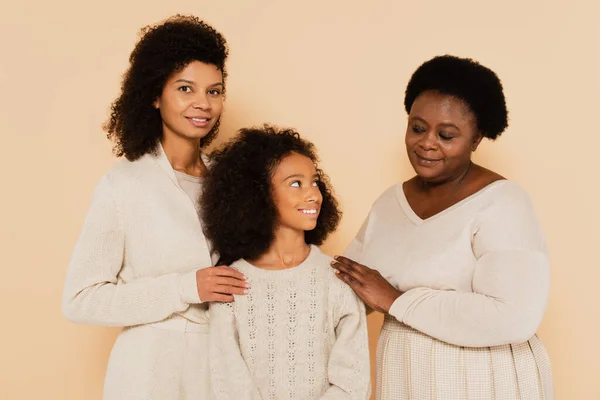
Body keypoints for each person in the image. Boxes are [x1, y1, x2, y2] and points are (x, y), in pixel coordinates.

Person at [331, 55, 553, 399]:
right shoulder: (389, 204)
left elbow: (515, 316)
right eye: (417, 128)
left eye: (446, 135)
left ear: (477, 139)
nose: (427, 143)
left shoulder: (503, 203)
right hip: (406, 376)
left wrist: (395, 299)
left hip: (486, 381)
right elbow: (347, 292)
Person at [61, 15, 248, 399]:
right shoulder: (125, 184)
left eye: (215, 91)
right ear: (154, 94)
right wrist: (185, 287)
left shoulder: (230, 182)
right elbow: (80, 300)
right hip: (149, 374)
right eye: (185, 88)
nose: (203, 103)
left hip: (221, 371)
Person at [202, 125, 371, 400]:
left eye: (315, 181)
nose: (314, 194)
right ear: (258, 194)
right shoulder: (229, 284)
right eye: (296, 183)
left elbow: (353, 383)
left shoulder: (338, 281)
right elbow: (227, 380)